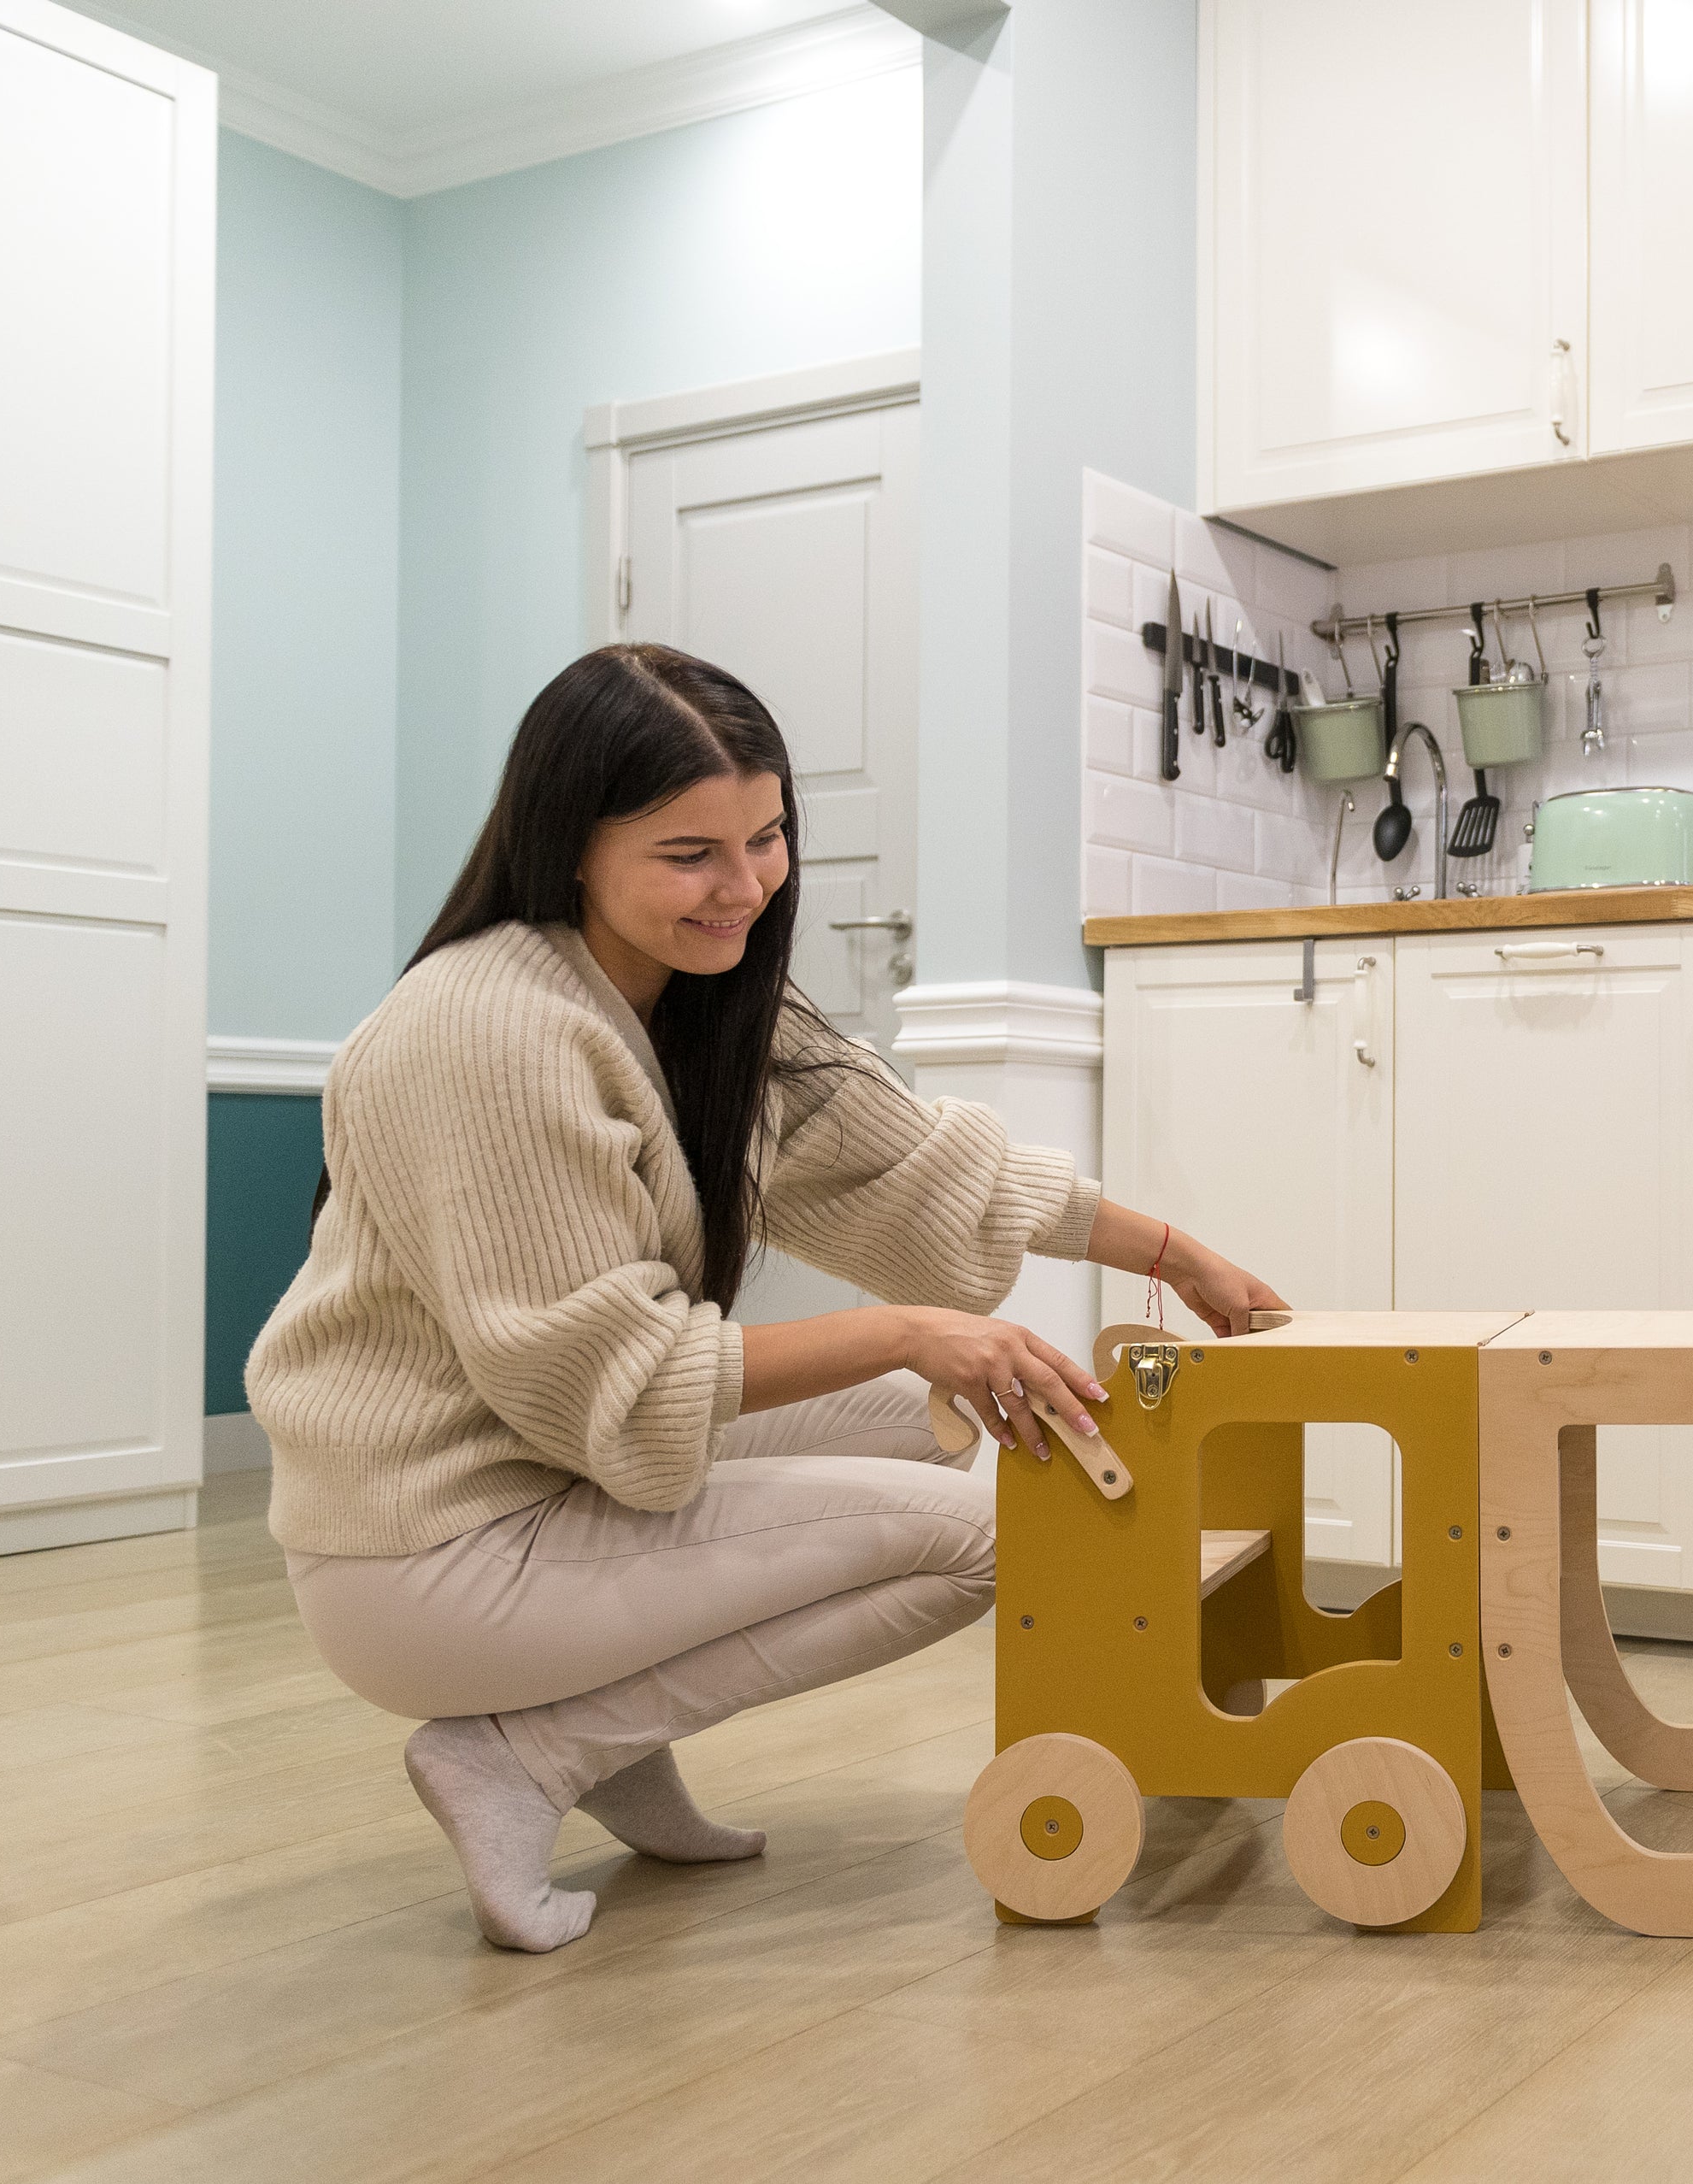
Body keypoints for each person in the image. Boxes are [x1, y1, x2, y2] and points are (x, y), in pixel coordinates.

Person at [246, 643, 1284, 1952]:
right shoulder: (487, 1031)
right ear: (569, 842)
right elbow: (607, 1382)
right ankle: (532, 1748)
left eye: (767, 837)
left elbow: (917, 1166)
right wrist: (918, 1327)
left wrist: (1170, 1251)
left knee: (925, 1417)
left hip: (547, 1477)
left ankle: (601, 1737)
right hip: (431, 1552)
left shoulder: (695, 998)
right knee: (991, 1538)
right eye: (689, 853)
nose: (742, 887)